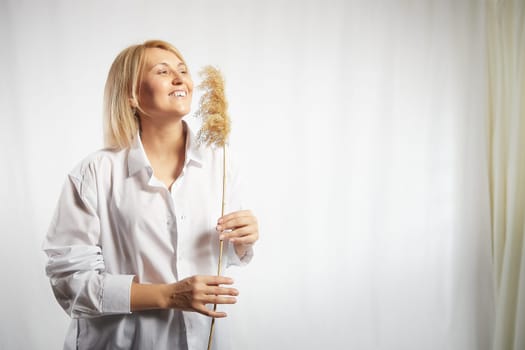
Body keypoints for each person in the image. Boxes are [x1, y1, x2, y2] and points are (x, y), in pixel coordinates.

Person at [42, 39, 259, 350]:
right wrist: (168, 295)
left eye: (183, 70)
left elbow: (220, 257)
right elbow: (70, 283)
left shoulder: (221, 164)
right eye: (163, 71)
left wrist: (243, 239)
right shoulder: (94, 173)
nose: (179, 77)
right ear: (132, 95)